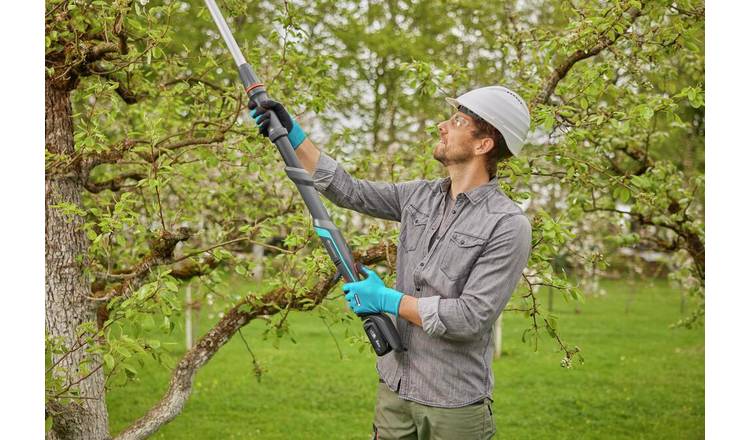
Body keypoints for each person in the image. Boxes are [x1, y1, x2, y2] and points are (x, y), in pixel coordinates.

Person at [250, 86, 532, 440]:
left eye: (457, 120)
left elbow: (470, 317)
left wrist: (385, 300)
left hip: (453, 405)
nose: (443, 126)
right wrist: (292, 133)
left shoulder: (507, 225)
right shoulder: (419, 197)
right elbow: (345, 189)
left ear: (483, 144)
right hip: (395, 389)